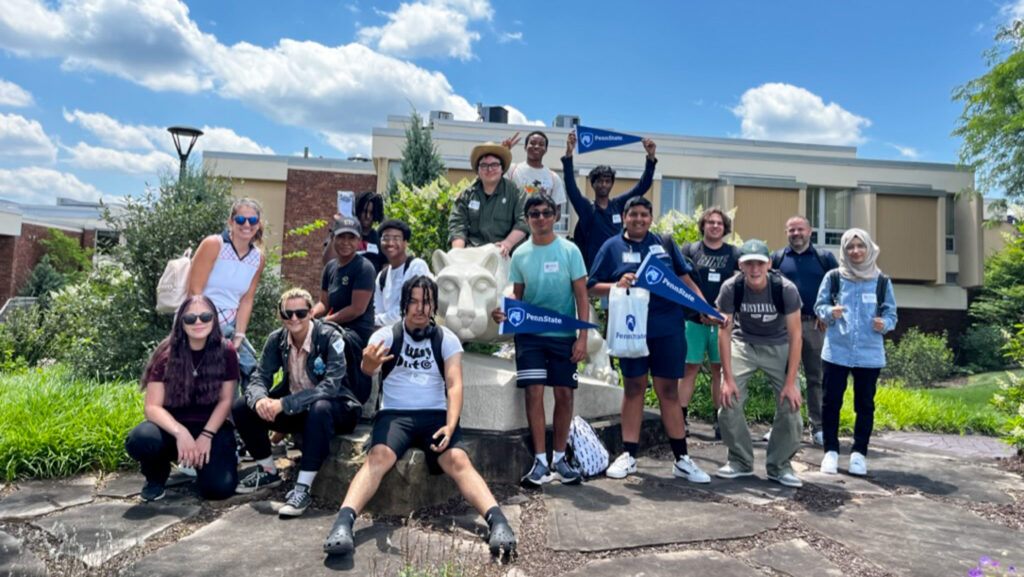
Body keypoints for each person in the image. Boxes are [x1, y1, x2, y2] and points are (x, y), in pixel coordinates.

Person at [322, 276, 517, 557]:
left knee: (458, 459)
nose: (420, 308)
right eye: (413, 301)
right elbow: (367, 369)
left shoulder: (446, 339)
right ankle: (342, 523)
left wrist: (451, 426)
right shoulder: (387, 336)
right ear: (404, 304)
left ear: (434, 305)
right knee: (379, 457)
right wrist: (369, 363)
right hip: (395, 414)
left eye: (426, 302)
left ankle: (498, 521)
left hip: (435, 415)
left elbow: (454, 384)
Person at [587, 196, 711, 483]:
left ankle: (682, 459)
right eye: (633, 215)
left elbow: (685, 280)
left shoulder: (664, 244)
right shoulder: (612, 247)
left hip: (668, 327)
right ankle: (629, 455)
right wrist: (616, 284)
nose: (639, 219)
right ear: (625, 217)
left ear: (651, 217)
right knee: (634, 389)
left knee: (669, 391)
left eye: (644, 214)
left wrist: (706, 307)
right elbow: (591, 286)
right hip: (630, 328)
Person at [232, 288, 363, 516]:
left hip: (336, 409)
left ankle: (302, 488)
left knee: (320, 408)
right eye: (288, 313)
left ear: (311, 313)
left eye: (301, 313)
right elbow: (259, 377)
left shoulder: (330, 337)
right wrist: (261, 399)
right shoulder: (277, 340)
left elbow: (330, 386)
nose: (294, 318)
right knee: (242, 406)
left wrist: (285, 403)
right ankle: (267, 470)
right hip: (298, 410)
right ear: (280, 316)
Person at [491, 194, 588, 486]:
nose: (541, 218)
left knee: (564, 395)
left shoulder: (570, 251)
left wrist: (582, 338)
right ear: (528, 218)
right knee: (533, 394)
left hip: (563, 336)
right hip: (530, 338)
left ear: (555, 216)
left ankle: (560, 458)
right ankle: (541, 462)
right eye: (535, 214)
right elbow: (517, 296)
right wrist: (505, 312)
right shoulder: (520, 254)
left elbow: (582, 297)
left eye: (546, 213)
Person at [124, 296, 239, 501]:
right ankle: (155, 477)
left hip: (212, 428)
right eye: (190, 318)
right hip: (172, 428)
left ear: (214, 320)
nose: (198, 322)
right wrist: (180, 432)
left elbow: (225, 401)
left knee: (218, 490)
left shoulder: (226, 351)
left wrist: (206, 435)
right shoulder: (167, 354)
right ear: (181, 323)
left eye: (205, 316)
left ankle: (204, 465)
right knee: (140, 439)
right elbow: (152, 407)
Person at [715, 239, 804, 488]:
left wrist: (790, 382)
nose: (754, 269)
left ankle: (779, 465)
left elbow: (796, 336)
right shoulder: (731, 288)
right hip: (744, 343)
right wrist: (728, 379)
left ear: (769, 264)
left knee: (791, 404)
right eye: (749, 263)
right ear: (741, 265)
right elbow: (724, 332)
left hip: (779, 345)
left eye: (760, 263)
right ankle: (740, 461)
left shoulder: (785, 289)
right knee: (728, 401)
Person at [815, 228, 897, 476]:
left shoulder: (882, 281)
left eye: (860, 246)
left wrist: (886, 324)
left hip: (869, 354)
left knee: (865, 405)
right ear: (844, 250)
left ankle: (859, 454)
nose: (855, 251)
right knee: (831, 403)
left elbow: (892, 314)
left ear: (869, 248)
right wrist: (830, 313)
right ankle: (830, 451)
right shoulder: (834, 277)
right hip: (836, 351)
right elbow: (819, 306)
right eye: (850, 247)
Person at [769, 215, 838, 446]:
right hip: (783, 326)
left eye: (800, 229)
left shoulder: (824, 257)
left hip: (814, 325)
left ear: (810, 231)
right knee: (782, 377)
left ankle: (817, 428)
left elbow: (838, 288)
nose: (796, 234)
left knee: (815, 378)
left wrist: (827, 312)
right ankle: (782, 427)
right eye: (791, 230)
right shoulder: (777, 258)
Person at [188, 197, 266, 380]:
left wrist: (239, 335)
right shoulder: (214, 244)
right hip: (201, 319)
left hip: (230, 324)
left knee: (251, 370)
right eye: (240, 220)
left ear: (258, 224)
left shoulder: (258, 258)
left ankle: (248, 408)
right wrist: (209, 327)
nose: (246, 224)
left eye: (252, 220)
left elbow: (247, 299)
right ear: (231, 222)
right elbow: (194, 292)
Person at [677, 207, 738, 440]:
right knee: (689, 368)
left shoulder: (734, 253)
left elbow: (736, 285)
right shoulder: (689, 250)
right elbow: (683, 282)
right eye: (710, 222)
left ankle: (721, 419)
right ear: (703, 225)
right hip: (693, 319)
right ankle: (681, 418)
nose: (714, 226)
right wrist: (701, 310)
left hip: (722, 322)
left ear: (725, 228)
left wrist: (718, 313)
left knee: (719, 370)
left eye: (719, 223)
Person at [563, 130, 658, 269]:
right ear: (593, 184)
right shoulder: (587, 208)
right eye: (600, 181)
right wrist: (569, 155)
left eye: (607, 181)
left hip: (617, 266)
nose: (604, 185)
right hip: (593, 269)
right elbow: (571, 188)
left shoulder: (618, 205)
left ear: (612, 184)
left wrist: (651, 158)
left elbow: (642, 186)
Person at [448, 142, 528, 258]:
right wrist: (458, 253)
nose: (489, 169)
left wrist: (507, 244)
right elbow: (457, 225)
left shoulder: (516, 193)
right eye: (484, 166)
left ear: (502, 169)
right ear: (478, 170)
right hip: (473, 253)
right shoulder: (466, 195)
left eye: (494, 165)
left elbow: (523, 222)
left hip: (506, 253)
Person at [313, 216, 376, 347]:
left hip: (355, 336)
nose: (345, 242)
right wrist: (308, 316)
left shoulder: (364, 268)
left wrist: (324, 322)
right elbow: (324, 303)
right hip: (332, 330)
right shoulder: (330, 267)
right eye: (341, 236)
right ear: (333, 238)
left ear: (359, 241)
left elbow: (356, 309)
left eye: (351, 237)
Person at [373, 218, 432, 328]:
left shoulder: (416, 267)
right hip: (388, 335)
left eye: (396, 238)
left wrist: (378, 321)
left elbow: (408, 309)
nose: (390, 243)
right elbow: (377, 310)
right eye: (385, 238)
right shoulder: (382, 276)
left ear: (405, 242)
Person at [501, 131, 568, 227]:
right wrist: (501, 152)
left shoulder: (553, 177)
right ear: (525, 147)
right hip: (512, 229)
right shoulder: (511, 170)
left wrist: (542, 215)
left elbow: (557, 213)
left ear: (546, 149)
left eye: (541, 144)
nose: (536, 146)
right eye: (532, 143)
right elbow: (489, 177)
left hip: (540, 234)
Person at [354, 191, 386, 272]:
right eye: (364, 211)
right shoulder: (348, 235)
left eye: (371, 213)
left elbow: (385, 265)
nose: (367, 216)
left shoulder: (380, 239)